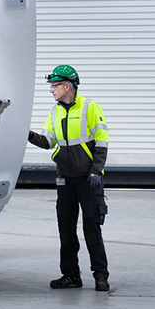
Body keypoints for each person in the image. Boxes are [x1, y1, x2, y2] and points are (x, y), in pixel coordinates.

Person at [28, 64, 110, 291]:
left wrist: (96, 170)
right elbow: (48, 141)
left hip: (88, 178)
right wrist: (27, 134)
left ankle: (101, 275)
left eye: (54, 86)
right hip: (65, 178)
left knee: (92, 227)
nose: (51, 90)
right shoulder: (54, 112)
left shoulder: (89, 107)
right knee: (66, 227)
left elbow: (102, 141)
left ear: (67, 86)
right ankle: (71, 275)